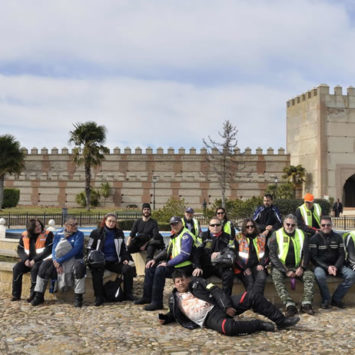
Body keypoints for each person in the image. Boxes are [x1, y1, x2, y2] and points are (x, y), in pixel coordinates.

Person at [158, 270, 300, 336]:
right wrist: (165, 318)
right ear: (174, 284)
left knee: (252, 296)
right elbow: (174, 313)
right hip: (210, 317)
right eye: (178, 281)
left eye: (183, 279)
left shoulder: (197, 283)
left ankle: (281, 321)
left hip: (220, 304)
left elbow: (215, 290)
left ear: (187, 279)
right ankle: (258, 325)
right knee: (228, 328)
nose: (181, 283)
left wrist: (227, 306)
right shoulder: (174, 299)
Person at [134, 216, 195, 311]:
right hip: (175, 265)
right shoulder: (175, 235)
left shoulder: (186, 235)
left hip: (185, 267)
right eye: (172, 224)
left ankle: (157, 302)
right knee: (150, 267)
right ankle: (147, 296)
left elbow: (184, 255)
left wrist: (168, 263)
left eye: (176, 223)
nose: (174, 226)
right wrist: (155, 259)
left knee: (160, 270)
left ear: (181, 224)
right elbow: (167, 251)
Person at [31, 217, 86, 308]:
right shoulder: (58, 234)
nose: (76, 226)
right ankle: (39, 295)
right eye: (73, 225)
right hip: (58, 260)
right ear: (66, 226)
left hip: (75, 259)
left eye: (77, 224)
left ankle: (78, 297)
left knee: (79, 268)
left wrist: (60, 261)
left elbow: (76, 250)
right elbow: (53, 249)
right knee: (44, 266)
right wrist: (55, 260)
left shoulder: (79, 234)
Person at [269, 214, 315, 316]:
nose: (290, 227)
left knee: (309, 276)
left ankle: (306, 304)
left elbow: (306, 252)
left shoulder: (302, 234)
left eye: (292, 225)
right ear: (283, 224)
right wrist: (286, 271)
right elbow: (272, 255)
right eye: (288, 224)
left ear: (296, 225)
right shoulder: (276, 234)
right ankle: (289, 305)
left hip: (298, 265)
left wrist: (302, 267)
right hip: (282, 266)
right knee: (276, 276)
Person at [87, 213, 136, 306]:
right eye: (109, 221)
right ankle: (99, 296)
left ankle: (128, 294)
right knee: (97, 272)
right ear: (105, 221)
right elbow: (89, 248)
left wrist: (125, 258)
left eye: (114, 221)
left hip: (114, 261)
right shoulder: (96, 233)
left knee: (128, 269)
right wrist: (94, 258)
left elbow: (123, 249)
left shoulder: (119, 233)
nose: (111, 223)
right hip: (100, 261)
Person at [310, 216, 355, 309]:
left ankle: (336, 299)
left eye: (328, 225)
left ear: (331, 225)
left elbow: (342, 255)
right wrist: (327, 267)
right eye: (323, 225)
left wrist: (336, 267)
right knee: (319, 276)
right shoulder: (314, 238)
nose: (326, 227)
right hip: (321, 266)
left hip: (337, 265)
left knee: (351, 275)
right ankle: (326, 299)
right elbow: (314, 258)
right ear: (320, 226)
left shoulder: (338, 237)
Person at [11, 219, 53, 302]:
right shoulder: (24, 235)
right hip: (28, 261)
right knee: (16, 268)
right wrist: (25, 259)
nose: (39, 227)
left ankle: (33, 296)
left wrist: (34, 260)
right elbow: (20, 249)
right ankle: (16, 295)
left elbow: (48, 250)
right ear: (30, 228)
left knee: (35, 269)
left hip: (42, 261)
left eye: (39, 225)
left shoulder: (48, 234)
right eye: (36, 226)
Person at [192, 216, 235, 295]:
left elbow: (233, 250)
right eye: (212, 225)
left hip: (221, 266)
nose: (215, 227)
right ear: (209, 226)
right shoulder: (202, 236)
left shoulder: (228, 237)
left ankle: (226, 301)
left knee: (229, 275)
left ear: (221, 226)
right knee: (196, 277)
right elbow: (196, 252)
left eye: (217, 225)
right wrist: (197, 266)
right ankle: (203, 299)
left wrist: (220, 253)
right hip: (206, 265)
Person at [234, 218, 269, 295]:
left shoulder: (261, 237)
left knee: (262, 278)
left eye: (252, 226)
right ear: (244, 228)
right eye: (247, 226)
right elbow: (235, 255)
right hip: (244, 267)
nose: (250, 228)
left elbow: (266, 253)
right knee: (250, 283)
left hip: (258, 266)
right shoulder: (238, 237)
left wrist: (262, 264)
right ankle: (256, 301)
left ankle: (256, 301)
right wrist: (245, 268)